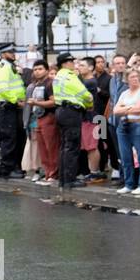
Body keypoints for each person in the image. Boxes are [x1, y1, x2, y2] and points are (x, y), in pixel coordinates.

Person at [53, 53, 94, 193]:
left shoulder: (58, 76)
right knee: (72, 147)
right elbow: (85, 94)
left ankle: (63, 179)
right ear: (65, 63)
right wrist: (90, 103)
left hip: (61, 111)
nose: (73, 64)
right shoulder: (70, 76)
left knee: (64, 146)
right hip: (71, 113)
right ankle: (70, 179)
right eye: (71, 61)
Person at [0, 43, 27, 178]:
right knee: (9, 139)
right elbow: (3, 89)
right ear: (2, 55)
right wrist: (16, 100)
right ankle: (6, 170)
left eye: (13, 51)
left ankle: (15, 167)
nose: (13, 53)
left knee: (17, 138)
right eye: (10, 52)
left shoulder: (10, 67)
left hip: (14, 107)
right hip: (7, 107)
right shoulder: (2, 68)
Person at [113, 67, 140, 195]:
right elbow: (115, 110)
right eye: (132, 77)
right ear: (127, 79)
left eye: (136, 76)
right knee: (125, 157)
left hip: (137, 125)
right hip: (123, 126)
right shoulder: (124, 93)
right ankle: (128, 184)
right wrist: (130, 107)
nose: (135, 79)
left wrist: (124, 107)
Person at [25, 60, 59, 185]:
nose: (37, 72)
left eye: (40, 69)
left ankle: (54, 174)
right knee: (42, 148)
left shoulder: (50, 83)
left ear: (46, 70)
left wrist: (36, 103)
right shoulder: (36, 84)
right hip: (38, 118)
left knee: (51, 147)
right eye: (35, 69)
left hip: (49, 117)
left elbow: (53, 101)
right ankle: (47, 172)